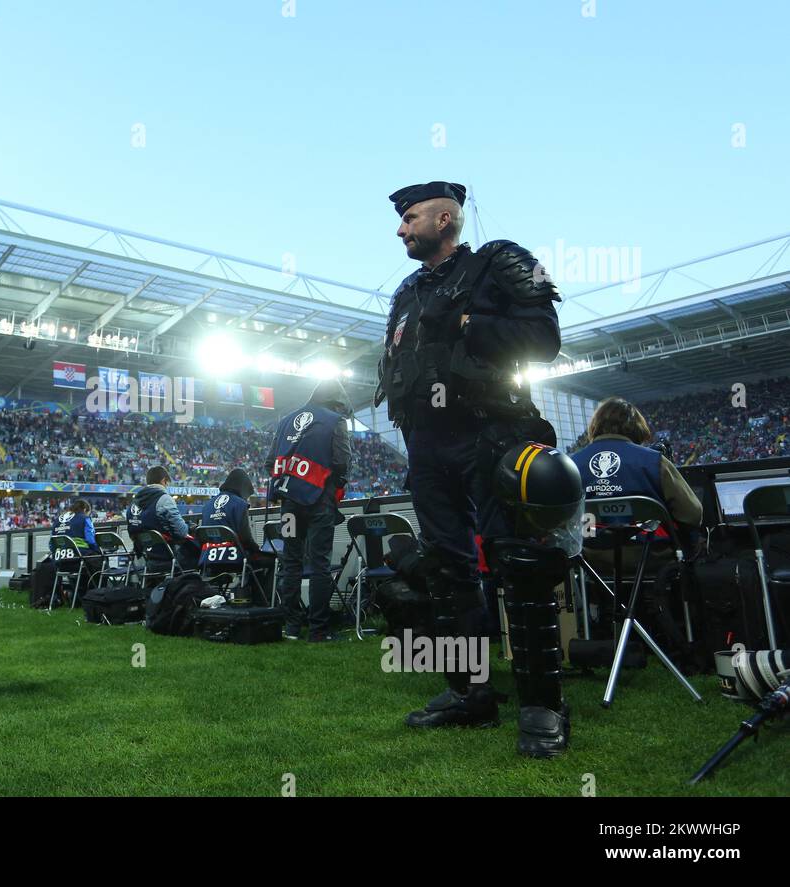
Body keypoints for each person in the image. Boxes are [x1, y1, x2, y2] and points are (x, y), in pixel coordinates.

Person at [374, 180, 568, 756]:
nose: (401, 229)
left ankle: (541, 707)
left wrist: (467, 326)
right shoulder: (405, 290)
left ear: (444, 219)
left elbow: (545, 339)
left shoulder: (499, 262)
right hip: (427, 446)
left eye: (410, 218)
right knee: (448, 570)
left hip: (492, 431)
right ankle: (470, 694)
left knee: (518, 561)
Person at [570, 396, 702, 569]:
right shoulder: (654, 461)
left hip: (591, 562)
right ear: (636, 427)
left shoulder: (572, 464)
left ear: (596, 426)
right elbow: (693, 514)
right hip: (652, 558)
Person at [267, 380, 353, 641]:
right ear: (334, 400)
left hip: (289, 504)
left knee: (291, 562)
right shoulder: (335, 420)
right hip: (319, 503)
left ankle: (291, 627)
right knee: (319, 564)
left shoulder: (285, 421)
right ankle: (318, 630)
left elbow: (270, 463)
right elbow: (341, 461)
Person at [199, 468, 272, 602]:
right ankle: (261, 600)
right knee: (271, 560)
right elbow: (246, 538)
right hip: (233, 558)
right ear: (243, 487)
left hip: (208, 559)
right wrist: (258, 549)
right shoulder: (240, 504)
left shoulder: (207, 505)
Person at [125, 466, 200, 582]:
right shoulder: (164, 499)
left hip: (148, 558)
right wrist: (190, 527)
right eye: (167, 484)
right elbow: (182, 532)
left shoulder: (133, 503)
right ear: (163, 481)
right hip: (169, 556)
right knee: (197, 554)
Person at [51, 498, 103, 588]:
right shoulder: (84, 518)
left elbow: (51, 544)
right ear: (85, 509)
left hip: (59, 562)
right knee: (101, 563)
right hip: (77, 559)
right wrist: (99, 551)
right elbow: (91, 541)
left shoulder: (58, 520)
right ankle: (97, 596)